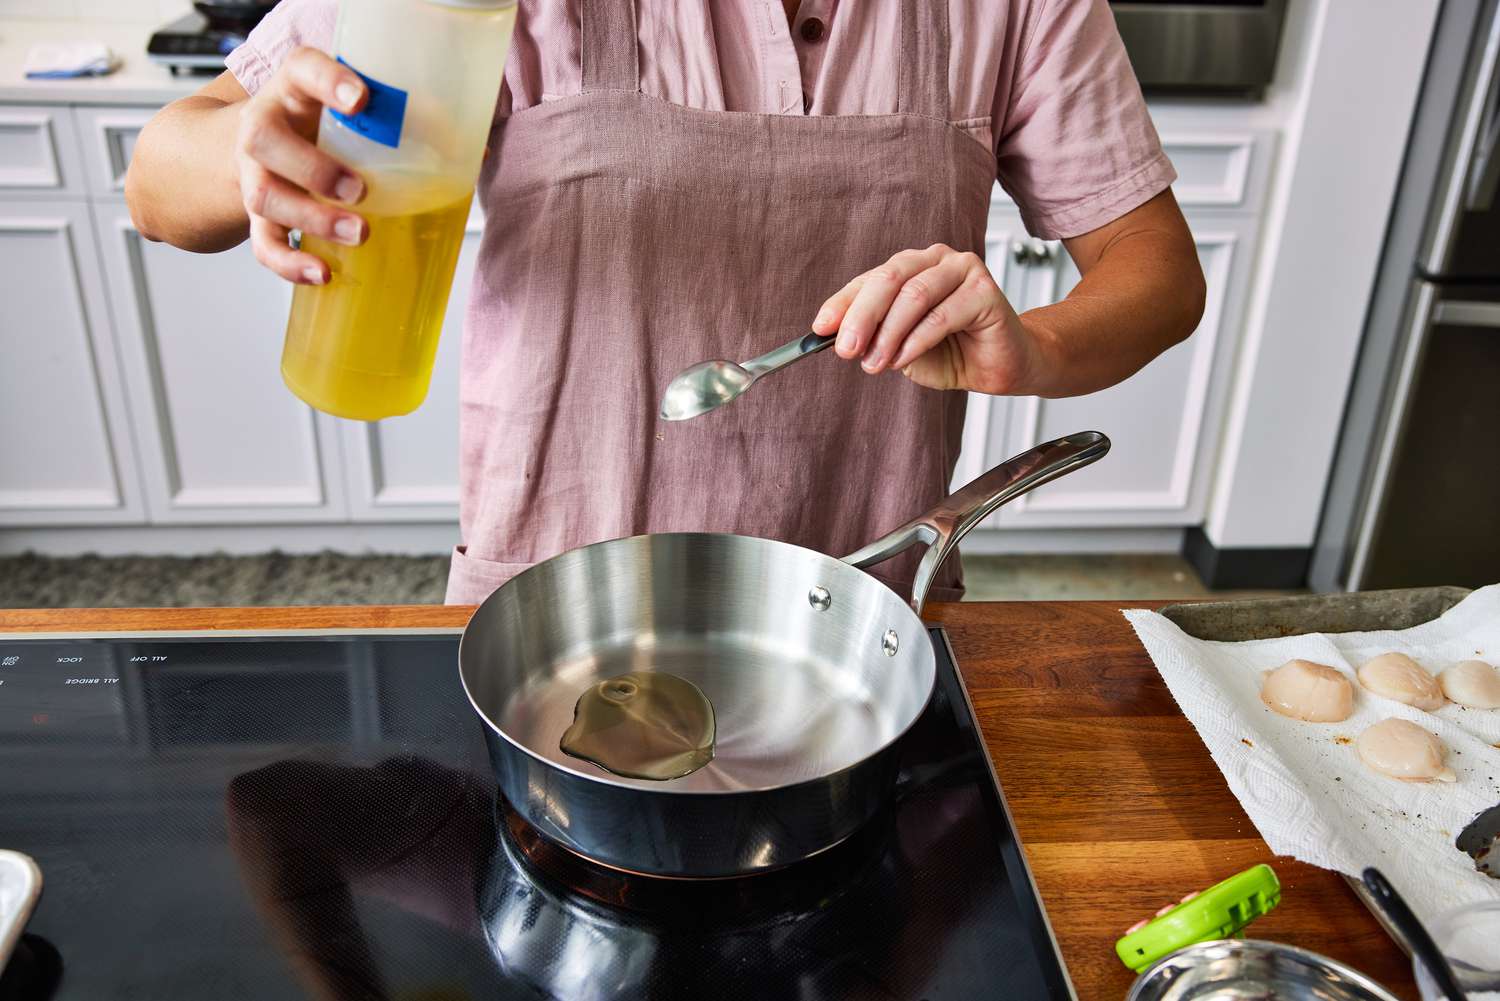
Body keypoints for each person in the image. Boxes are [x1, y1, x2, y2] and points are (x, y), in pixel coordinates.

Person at [125, 0, 1205, 604]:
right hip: (552, 609)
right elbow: (160, 184)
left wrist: (1033, 343)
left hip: (868, 607)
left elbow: (1155, 268)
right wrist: (244, 149)